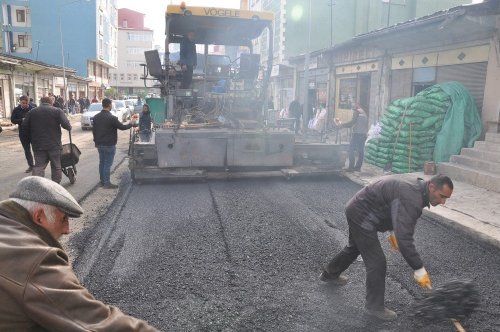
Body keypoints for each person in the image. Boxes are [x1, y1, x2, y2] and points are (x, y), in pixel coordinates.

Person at [0, 176, 159, 331]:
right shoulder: (35, 259)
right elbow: (95, 322)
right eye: (63, 219)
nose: (67, 230)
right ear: (39, 216)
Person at [320, 174, 454, 321]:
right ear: (432, 187)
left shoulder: (417, 190)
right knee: (377, 262)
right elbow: (405, 239)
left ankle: (329, 274)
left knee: (354, 248)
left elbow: (393, 205)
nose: (443, 202)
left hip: (359, 208)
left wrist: (393, 231)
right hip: (362, 214)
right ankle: (374, 308)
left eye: (446, 198)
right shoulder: (412, 197)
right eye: (442, 196)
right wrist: (419, 269)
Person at [22, 96, 71, 184]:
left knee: (39, 166)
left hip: (38, 145)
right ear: (51, 103)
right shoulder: (57, 111)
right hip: (54, 145)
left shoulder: (32, 112)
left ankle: (37, 185)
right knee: (56, 166)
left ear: (40, 102)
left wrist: (30, 140)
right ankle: (55, 185)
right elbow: (67, 126)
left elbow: (24, 127)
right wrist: (69, 125)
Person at [92, 98, 137, 189]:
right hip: (109, 145)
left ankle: (102, 181)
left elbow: (94, 131)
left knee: (102, 163)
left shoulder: (96, 117)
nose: (111, 106)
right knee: (107, 164)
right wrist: (131, 123)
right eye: (111, 104)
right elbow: (122, 127)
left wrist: (96, 142)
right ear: (109, 105)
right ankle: (107, 183)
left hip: (99, 144)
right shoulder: (112, 118)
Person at [337, 102, 368, 172]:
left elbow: (352, 123)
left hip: (357, 134)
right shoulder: (364, 112)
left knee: (351, 149)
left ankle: (351, 167)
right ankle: (358, 167)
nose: (353, 107)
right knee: (361, 151)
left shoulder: (357, 112)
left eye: (354, 105)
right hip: (363, 134)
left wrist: (342, 125)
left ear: (357, 105)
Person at [11, 95, 35, 173]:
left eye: (26, 103)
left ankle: (38, 165)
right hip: (23, 133)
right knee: (27, 150)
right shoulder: (16, 110)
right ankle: (31, 165)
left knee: (36, 149)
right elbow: (13, 120)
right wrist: (21, 120)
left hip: (33, 132)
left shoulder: (33, 108)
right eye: (23, 103)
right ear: (20, 102)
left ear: (28, 102)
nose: (24, 104)